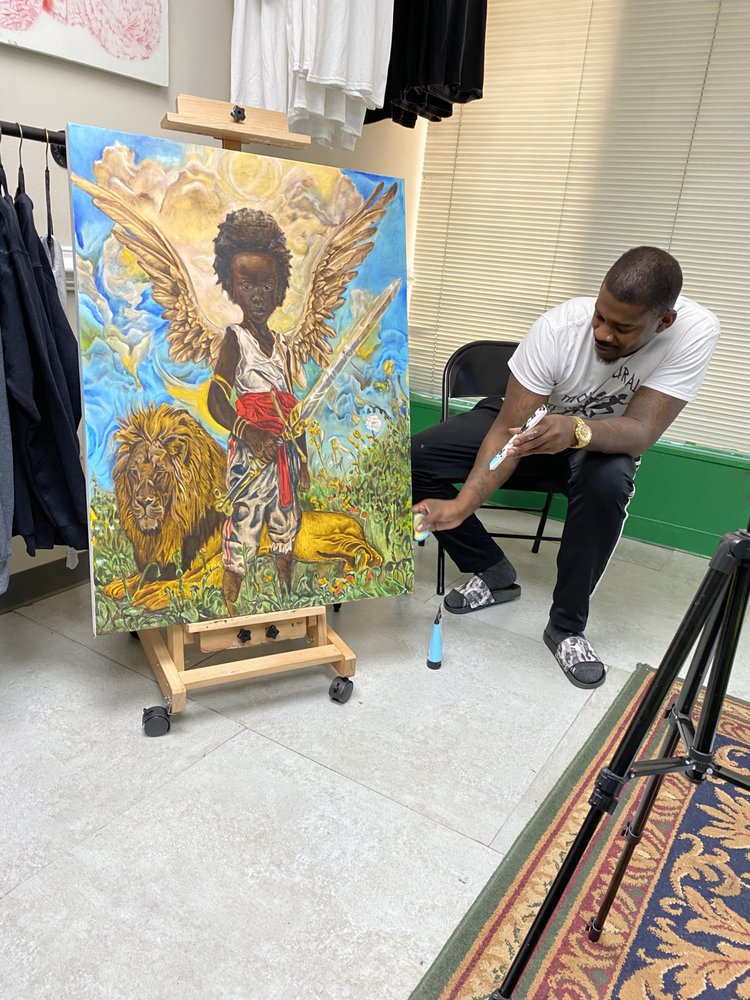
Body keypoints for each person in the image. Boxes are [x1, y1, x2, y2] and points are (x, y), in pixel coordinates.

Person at [412, 247, 719, 690]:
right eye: (600, 316)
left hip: (598, 440)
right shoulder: (558, 329)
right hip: (528, 424)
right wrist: (462, 505)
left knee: (609, 480)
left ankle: (566, 627)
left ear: (664, 322)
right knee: (415, 455)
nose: (603, 333)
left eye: (622, 328)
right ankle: (492, 570)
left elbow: (641, 431)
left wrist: (577, 430)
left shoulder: (694, 331)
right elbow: (507, 434)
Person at [208, 209, 309, 614]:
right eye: (247, 285)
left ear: (280, 288)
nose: (257, 295)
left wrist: (304, 460)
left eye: (267, 286)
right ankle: (228, 607)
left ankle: (286, 596)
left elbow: (293, 410)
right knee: (244, 525)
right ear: (232, 287)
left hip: (284, 455)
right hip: (252, 455)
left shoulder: (282, 345)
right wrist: (250, 434)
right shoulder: (235, 339)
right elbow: (216, 399)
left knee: (286, 523)